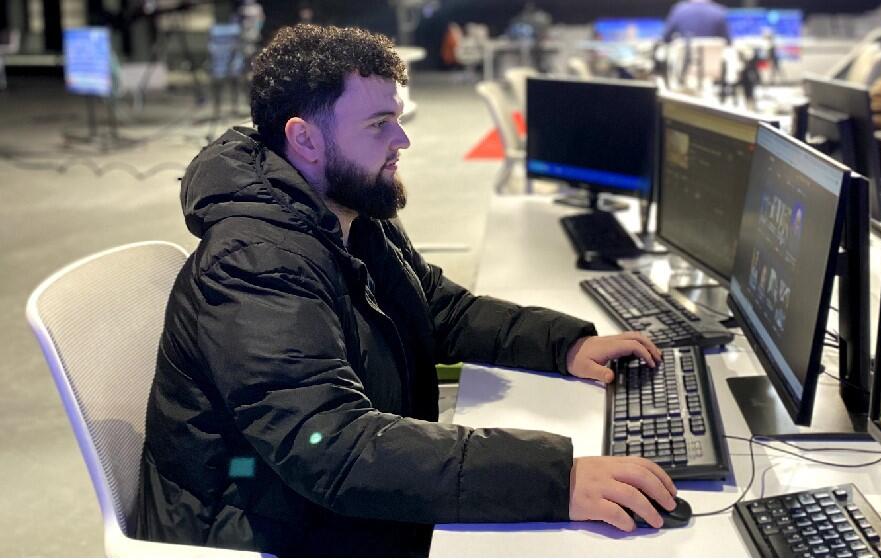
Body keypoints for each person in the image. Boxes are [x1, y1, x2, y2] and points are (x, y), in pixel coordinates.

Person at [136, 24, 678, 557]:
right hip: (262, 523)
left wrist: (565, 345)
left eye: (397, 118)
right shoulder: (255, 262)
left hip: (317, 496)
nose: (403, 141)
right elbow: (329, 446)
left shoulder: (348, 206)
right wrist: (554, 481)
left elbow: (436, 308)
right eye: (379, 124)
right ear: (305, 139)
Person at [662, 0, 730, 42]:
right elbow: (727, 41)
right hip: (713, 63)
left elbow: (665, 38)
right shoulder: (719, 11)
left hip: (684, 62)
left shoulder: (678, 10)